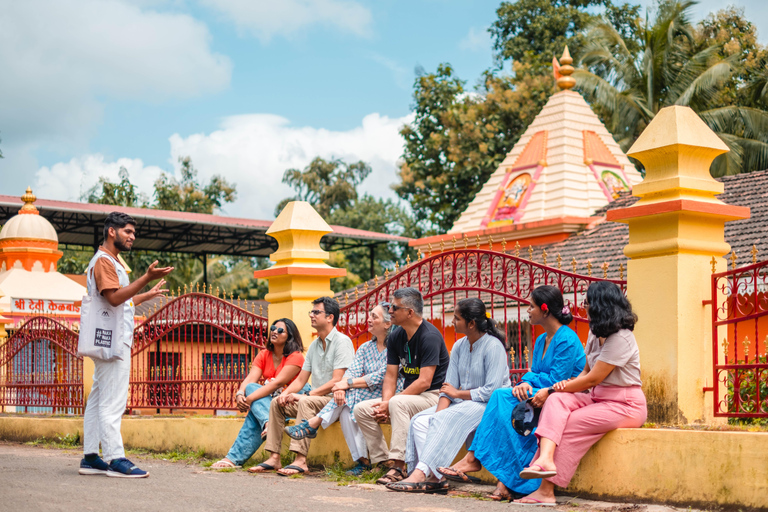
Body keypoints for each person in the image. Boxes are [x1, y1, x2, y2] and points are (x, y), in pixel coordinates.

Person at [439, 285, 586, 501]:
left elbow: (557, 379)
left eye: (531, 306)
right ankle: (500, 478)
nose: (528, 310)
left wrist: (528, 382)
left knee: (500, 397)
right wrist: (524, 383)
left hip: (562, 394)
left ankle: (480, 463)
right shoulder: (540, 339)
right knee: (504, 400)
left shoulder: (567, 338)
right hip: (540, 391)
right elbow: (534, 372)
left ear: (545, 311)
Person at [514, 281, 646, 506]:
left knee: (570, 420)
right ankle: (545, 459)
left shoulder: (622, 337)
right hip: (597, 397)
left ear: (600, 305)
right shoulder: (597, 334)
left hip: (625, 404)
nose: (583, 307)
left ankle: (546, 491)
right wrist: (559, 390)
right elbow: (584, 372)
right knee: (556, 402)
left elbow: (593, 378)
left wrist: (550, 388)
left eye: (587, 302)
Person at [79, 212, 173, 478]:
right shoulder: (105, 262)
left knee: (98, 399)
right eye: (128, 231)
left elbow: (122, 299)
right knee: (113, 401)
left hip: (107, 338)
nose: (132, 236)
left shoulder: (109, 261)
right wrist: (146, 277)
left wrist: (147, 293)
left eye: (133, 232)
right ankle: (115, 459)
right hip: (113, 342)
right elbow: (114, 299)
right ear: (112, 231)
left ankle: (90, 457)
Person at [386, 298, 510, 493]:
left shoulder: (493, 346)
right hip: (464, 403)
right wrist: (437, 414)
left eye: (457, 318)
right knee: (421, 421)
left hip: (488, 404)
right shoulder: (460, 345)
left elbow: (492, 391)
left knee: (441, 418)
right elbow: (447, 387)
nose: (453, 322)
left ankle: (420, 474)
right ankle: (436, 477)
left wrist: (457, 394)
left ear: (471, 323)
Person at [284, 302, 404, 475]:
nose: (368, 319)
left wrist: (347, 384)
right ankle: (363, 462)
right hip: (361, 395)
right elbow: (352, 372)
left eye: (374, 317)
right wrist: (341, 387)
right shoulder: (365, 348)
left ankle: (314, 422)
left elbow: (383, 376)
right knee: (347, 411)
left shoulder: (394, 348)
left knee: (351, 397)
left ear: (387, 323)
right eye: (369, 315)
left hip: (386, 393)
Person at [354, 287, 450, 485]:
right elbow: (390, 375)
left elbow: (424, 381)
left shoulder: (429, 336)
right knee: (362, 409)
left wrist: (392, 403)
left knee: (398, 403)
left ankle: (399, 465)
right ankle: (382, 461)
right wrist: (386, 402)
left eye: (394, 308)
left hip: (434, 396)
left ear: (409, 312)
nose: (390, 311)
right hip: (409, 396)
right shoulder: (397, 336)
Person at [250, 296, 354, 476]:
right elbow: (300, 380)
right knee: (276, 403)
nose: (311, 315)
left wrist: (307, 396)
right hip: (317, 399)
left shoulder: (342, 342)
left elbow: (337, 380)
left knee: (305, 403)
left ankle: (300, 460)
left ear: (330, 317)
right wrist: (286, 393)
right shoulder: (314, 345)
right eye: (311, 312)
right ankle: (274, 457)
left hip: (335, 402)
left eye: (316, 312)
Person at [211, 318, 305, 469]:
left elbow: (278, 383)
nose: (274, 331)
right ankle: (267, 423)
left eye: (280, 330)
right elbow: (250, 379)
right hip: (271, 401)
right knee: (252, 388)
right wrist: (240, 394)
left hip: (290, 398)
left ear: (289, 336)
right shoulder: (264, 354)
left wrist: (248, 400)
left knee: (254, 407)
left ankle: (233, 458)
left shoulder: (296, 356)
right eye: (273, 328)